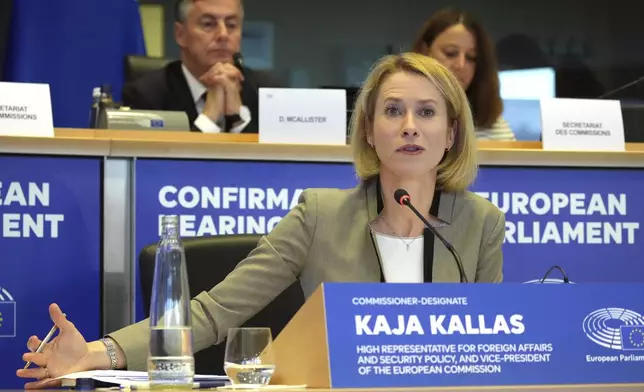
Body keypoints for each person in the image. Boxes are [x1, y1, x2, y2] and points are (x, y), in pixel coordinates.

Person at [17, 53, 505, 388]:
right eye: (393, 111)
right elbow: (213, 311)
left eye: (427, 112)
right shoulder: (321, 215)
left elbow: (494, 349)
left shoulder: (480, 225)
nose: (410, 126)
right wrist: (97, 353)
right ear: (370, 133)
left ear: (452, 133)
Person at [122, 0, 277, 134]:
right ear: (180, 34)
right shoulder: (145, 96)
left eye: (231, 25)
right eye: (208, 24)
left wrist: (238, 119)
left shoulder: (266, 93)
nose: (223, 34)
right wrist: (209, 117)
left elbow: (278, 165)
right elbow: (157, 166)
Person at [412, 8, 516, 141]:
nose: (460, 65)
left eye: (471, 57)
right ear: (424, 51)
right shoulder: (399, 114)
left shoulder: (494, 127)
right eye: (450, 53)